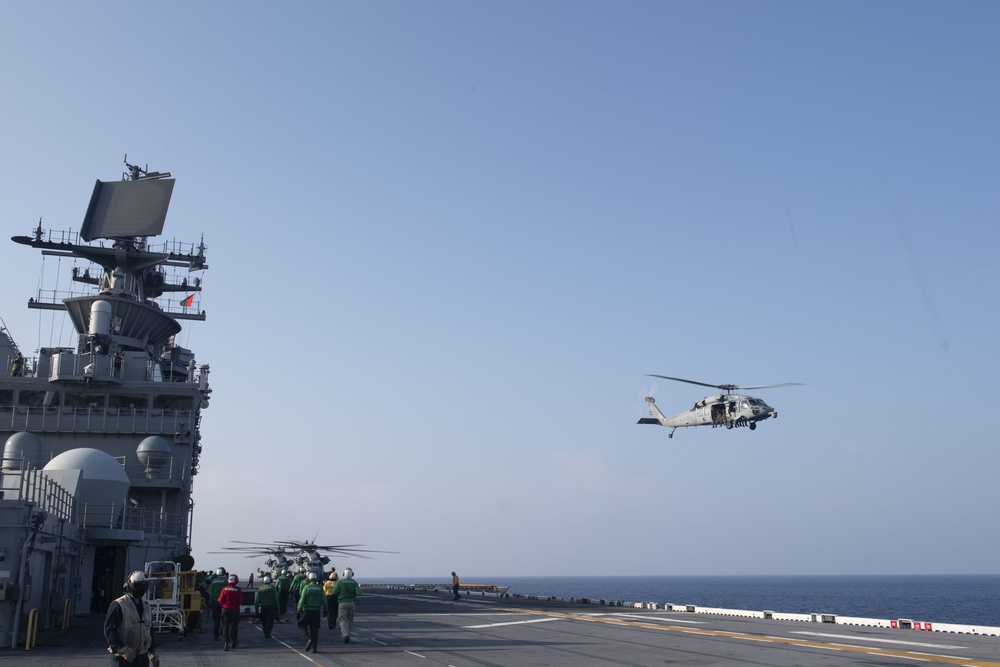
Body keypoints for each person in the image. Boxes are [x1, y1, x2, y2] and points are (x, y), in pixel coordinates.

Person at [104, 571, 158, 667]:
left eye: (144, 586)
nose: (142, 590)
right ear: (129, 587)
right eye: (138, 586)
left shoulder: (146, 606)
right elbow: (109, 630)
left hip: (142, 658)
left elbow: (149, 629)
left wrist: (152, 651)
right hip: (124, 659)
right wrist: (122, 649)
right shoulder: (119, 605)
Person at [296, 572, 325, 653]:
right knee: (315, 629)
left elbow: (302, 600)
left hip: (307, 611)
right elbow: (324, 599)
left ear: (308, 579)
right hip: (316, 611)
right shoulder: (320, 588)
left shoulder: (306, 587)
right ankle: (314, 648)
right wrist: (326, 609)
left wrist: (298, 610)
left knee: (301, 624)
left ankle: (308, 639)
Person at [331, 567, 361, 643]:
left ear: (344, 574)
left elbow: (334, 592)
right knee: (350, 619)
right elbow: (359, 593)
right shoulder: (354, 582)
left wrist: (340, 594)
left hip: (342, 603)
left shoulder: (340, 582)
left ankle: (345, 635)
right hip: (351, 603)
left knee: (342, 619)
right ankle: (348, 634)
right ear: (352, 574)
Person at [218, 573, 242, 650]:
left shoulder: (224, 589)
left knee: (225, 626)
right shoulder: (238, 589)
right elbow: (240, 600)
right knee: (234, 626)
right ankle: (234, 641)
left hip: (225, 609)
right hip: (235, 610)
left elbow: (220, 600)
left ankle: (225, 642)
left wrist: (224, 605)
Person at [208, 567, 228, 641]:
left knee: (216, 621)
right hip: (224, 603)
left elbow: (211, 592)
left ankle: (215, 636)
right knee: (225, 620)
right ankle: (223, 634)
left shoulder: (213, 581)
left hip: (215, 602)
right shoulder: (226, 581)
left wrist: (210, 602)